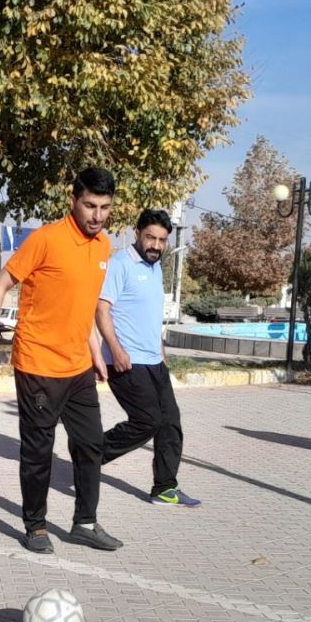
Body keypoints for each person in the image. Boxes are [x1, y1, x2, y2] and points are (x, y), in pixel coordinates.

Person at [0, 168, 122, 554]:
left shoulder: (104, 246)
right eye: (90, 205)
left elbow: (83, 304)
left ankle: (85, 523)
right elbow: (0, 284)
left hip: (78, 367)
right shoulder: (46, 239)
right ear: (73, 200)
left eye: (105, 207)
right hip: (38, 364)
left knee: (90, 444)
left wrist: (94, 350)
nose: (97, 215)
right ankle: (35, 526)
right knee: (38, 450)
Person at [95, 208, 200, 507]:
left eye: (162, 240)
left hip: (154, 360)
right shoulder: (120, 264)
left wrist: (161, 352)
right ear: (137, 233)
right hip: (126, 361)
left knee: (170, 424)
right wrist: (115, 350)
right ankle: (89, 455)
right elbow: (101, 309)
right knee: (147, 421)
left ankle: (165, 488)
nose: (156, 245)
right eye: (150, 237)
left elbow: (150, 315)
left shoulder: (155, 268)